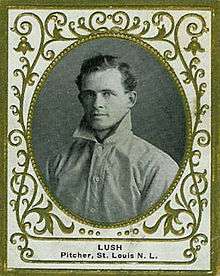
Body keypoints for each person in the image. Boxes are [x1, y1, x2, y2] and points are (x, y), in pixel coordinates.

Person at [46, 54, 179, 223]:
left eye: (107, 93)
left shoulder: (158, 167)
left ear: (130, 99)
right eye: (89, 94)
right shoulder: (57, 163)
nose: (96, 104)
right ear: (81, 99)